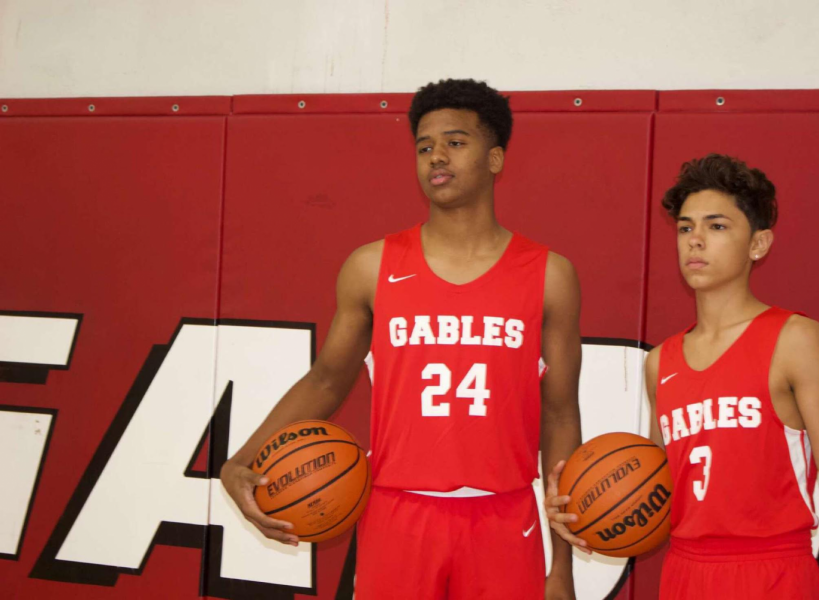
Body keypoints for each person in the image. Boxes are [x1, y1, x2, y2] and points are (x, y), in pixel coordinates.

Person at [221, 78, 583, 599]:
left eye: (456, 142)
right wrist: (243, 460)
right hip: (396, 513)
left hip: (505, 515)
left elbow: (559, 414)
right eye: (424, 146)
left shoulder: (549, 275)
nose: (437, 155)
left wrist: (561, 566)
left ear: (496, 159)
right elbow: (326, 379)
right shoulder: (371, 267)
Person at [545, 154, 819, 599]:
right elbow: (658, 499)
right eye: (685, 227)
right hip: (684, 574)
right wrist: (584, 509)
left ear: (759, 244)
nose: (695, 240)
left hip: (772, 572)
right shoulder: (661, 361)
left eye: (716, 227)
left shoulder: (795, 339)